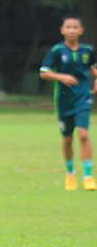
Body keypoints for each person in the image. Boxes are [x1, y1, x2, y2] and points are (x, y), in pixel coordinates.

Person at [39, 14, 97, 190]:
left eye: (75, 27)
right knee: (67, 138)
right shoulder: (57, 51)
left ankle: (88, 177)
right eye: (68, 27)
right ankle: (70, 174)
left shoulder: (88, 50)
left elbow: (94, 68)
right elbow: (43, 72)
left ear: (81, 30)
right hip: (64, 100)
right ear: (62, 30)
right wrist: (60, 76)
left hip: (83, 97)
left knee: (83, 135)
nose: (72, 31)